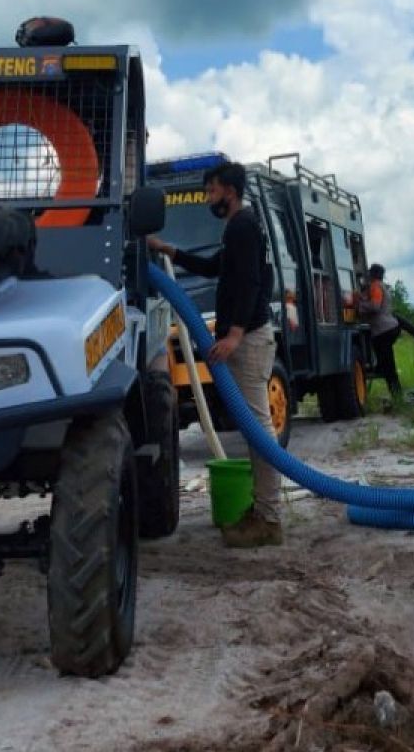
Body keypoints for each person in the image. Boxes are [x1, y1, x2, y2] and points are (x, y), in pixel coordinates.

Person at [146, 161, 282, 548]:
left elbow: (251, 282)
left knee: (259, 431)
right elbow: (214, 268)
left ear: (230, 191)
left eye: (212, 191)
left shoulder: (242, 226)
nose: (209, 198)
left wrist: (235, 334)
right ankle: (263, 512)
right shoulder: (239, 228)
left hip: (249, 341)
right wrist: (167, 248)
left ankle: (269, 519)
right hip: (246, 338)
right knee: (254, 430)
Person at [357, 263, 402, 398]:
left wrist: (359, 305)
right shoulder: (383, 287)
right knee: (386, 362)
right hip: (389, 328)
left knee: (388, 365)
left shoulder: (375, 286)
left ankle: (397, 394)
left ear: (372, 274)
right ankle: (396, 393)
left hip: (383, 330)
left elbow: (375, 306)